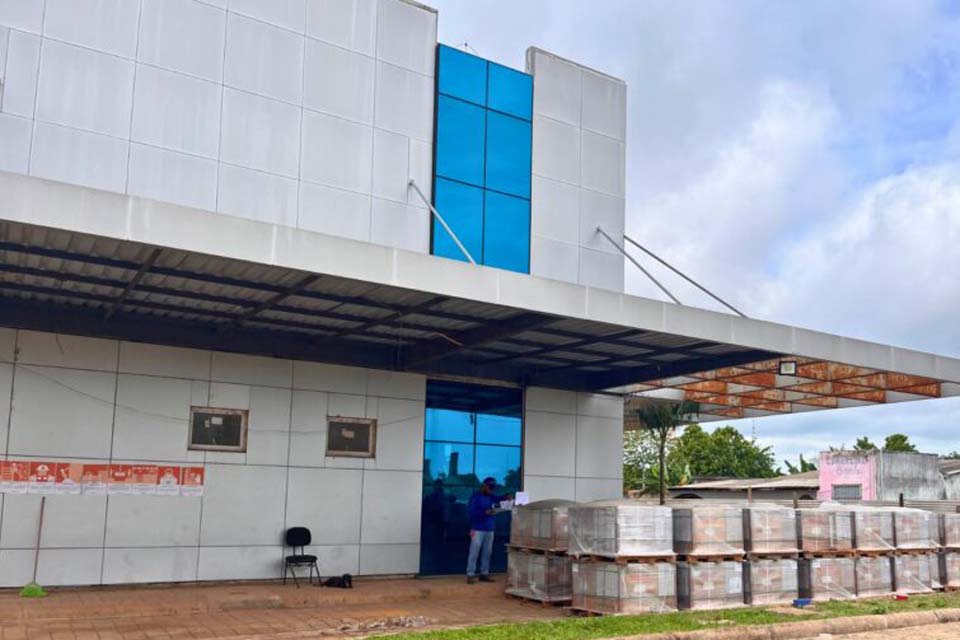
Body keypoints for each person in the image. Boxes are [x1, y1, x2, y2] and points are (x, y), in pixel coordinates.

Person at [465, 476, 509, 583]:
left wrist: (506, 497)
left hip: (489, 528)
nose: (491, 490)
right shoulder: (475, 497)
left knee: (487, 552)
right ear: (484, 486)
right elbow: (471, 513)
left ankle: (484, 573)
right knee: (474, 552)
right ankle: (470, 574)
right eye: (489, 488)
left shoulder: (490, 496)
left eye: (492, 488)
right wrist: (484, 513)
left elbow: (498, 499)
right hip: (477, 528)